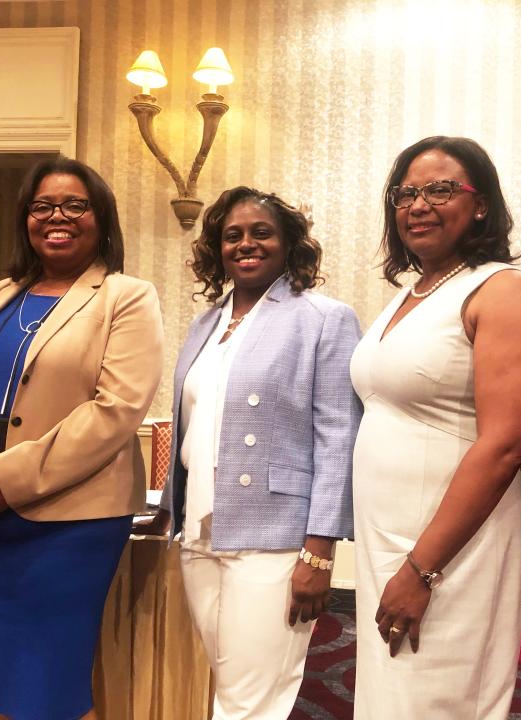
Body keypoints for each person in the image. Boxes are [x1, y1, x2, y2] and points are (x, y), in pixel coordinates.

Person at [0, 157, 163, 720]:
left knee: (47, 678)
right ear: (26, 218)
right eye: (42, 206)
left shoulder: (125, 296)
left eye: (75, 205)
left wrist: (3, 480)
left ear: (101, 218)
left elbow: (115, 410)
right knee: (2, 671)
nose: (58, 216)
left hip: (66, 522)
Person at [350, 136, 521, 719]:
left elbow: (506, 443)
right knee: (392, 696)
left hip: (451, 545)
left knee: (437, 699)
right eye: (406, 193)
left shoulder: (505, 291)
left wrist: (422, 568)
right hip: (390, 536)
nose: (419, 204)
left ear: (481, 204)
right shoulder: (410, 295)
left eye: (441, 189)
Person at [139, 186, 361, 719]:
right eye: (232, 235)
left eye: (261, 233)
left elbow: (339, 438)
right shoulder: (205, 324)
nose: (246, 244)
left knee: (253, 699)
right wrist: (170, 509)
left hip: (277, 536)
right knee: (229, 680)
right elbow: (195, 423)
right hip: (202, 530)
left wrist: (318, 552)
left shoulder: (323, 318)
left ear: (289, 244)